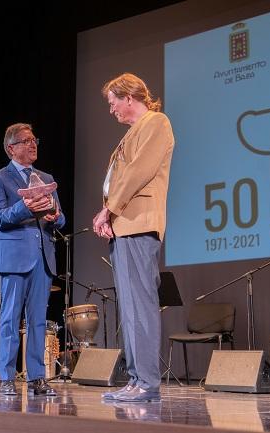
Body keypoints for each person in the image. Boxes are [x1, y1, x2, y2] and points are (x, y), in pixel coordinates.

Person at [92, 73, 175, 402]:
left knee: (140, 304)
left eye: (113, 103)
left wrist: (108, 210)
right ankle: (137, 378)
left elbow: (139, 172)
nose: (111, 110)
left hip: (138, 223)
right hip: (125, 225)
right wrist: (110, 213)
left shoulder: (156, 123)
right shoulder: (131, 134)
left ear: (129, 97)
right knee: (130, 307)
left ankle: (147, 382)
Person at [0, 123, 65, 396]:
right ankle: (6, 377)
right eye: (26, 141)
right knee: (9, 319)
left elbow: (61, 217)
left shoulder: (45, 177)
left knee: (38, 321)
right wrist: (25, 206)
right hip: (15, 258)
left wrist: (55, 215)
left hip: (43, 256)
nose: (33, 145)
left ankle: (37, 378)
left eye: (34, 140)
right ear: (11, 148)